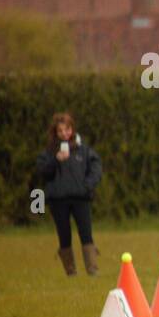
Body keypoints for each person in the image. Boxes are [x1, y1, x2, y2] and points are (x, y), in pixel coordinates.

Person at [36, 112, 103, 276]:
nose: (64, 133)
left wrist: (87, 185)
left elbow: (96, 168)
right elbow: (43, 173)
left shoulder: (84, 150)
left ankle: (92, 269)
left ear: (72, 130)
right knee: (64, 236)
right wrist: (56, 160)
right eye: (60, 131)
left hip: (81, 198)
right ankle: (70, 271)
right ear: (55, 132)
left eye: (67, 129)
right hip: (58, 200)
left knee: (86, 234)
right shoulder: (49, 152)